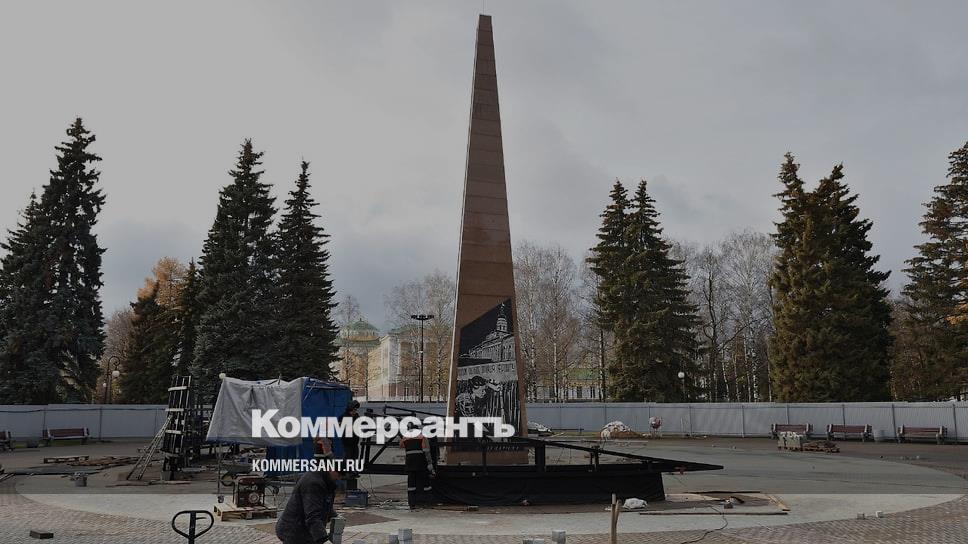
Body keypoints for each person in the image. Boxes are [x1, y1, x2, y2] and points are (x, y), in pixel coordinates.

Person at [275, 438, 340, 544]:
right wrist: (324, 540)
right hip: (294, 531)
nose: (339, 477)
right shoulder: (313, 483)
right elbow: (313, 517)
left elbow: (321, 503)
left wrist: (335, 516)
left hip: (303, 530)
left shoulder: (326, 479)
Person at [400, 432, 435, 509]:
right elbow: (427, 452)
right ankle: (426, 502)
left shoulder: (405, 437)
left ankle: (412, 503)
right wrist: (430, 466)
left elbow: (401, 446)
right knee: (425, 484)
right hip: (421, 464)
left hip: (410, 465)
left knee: (411, 485)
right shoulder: (422, 437)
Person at [341, 400, 361, 490]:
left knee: (355, 457)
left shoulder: (357, 417)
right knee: (348, 457)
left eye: (355, 410)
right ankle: (347, 472)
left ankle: (353, 471)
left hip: (355, 442)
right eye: (353, 410)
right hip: (347, 443)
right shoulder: (344, 417)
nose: (354, 412)